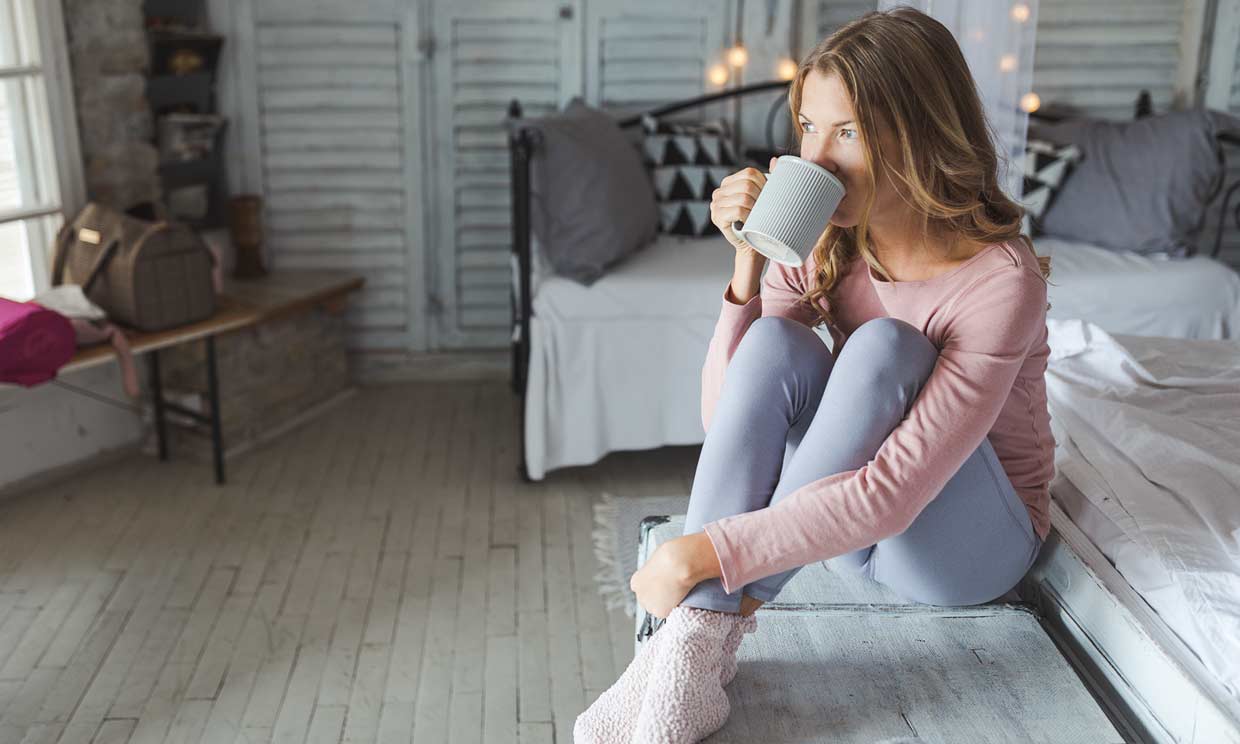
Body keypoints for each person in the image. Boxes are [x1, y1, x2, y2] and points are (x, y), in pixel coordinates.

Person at [575, 7, 1055, 743]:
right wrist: (747, 263)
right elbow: (729, 415)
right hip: (844, 546)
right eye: (808, 127)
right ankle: (697, 650)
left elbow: (892, 494)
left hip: (966, 558)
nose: (818, 159)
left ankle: (688, 639)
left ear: (922, 132)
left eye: (849, 131)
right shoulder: (822, 236)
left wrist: (700, 553)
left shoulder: (1000, 279)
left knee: (883, 348)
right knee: (776, 342)